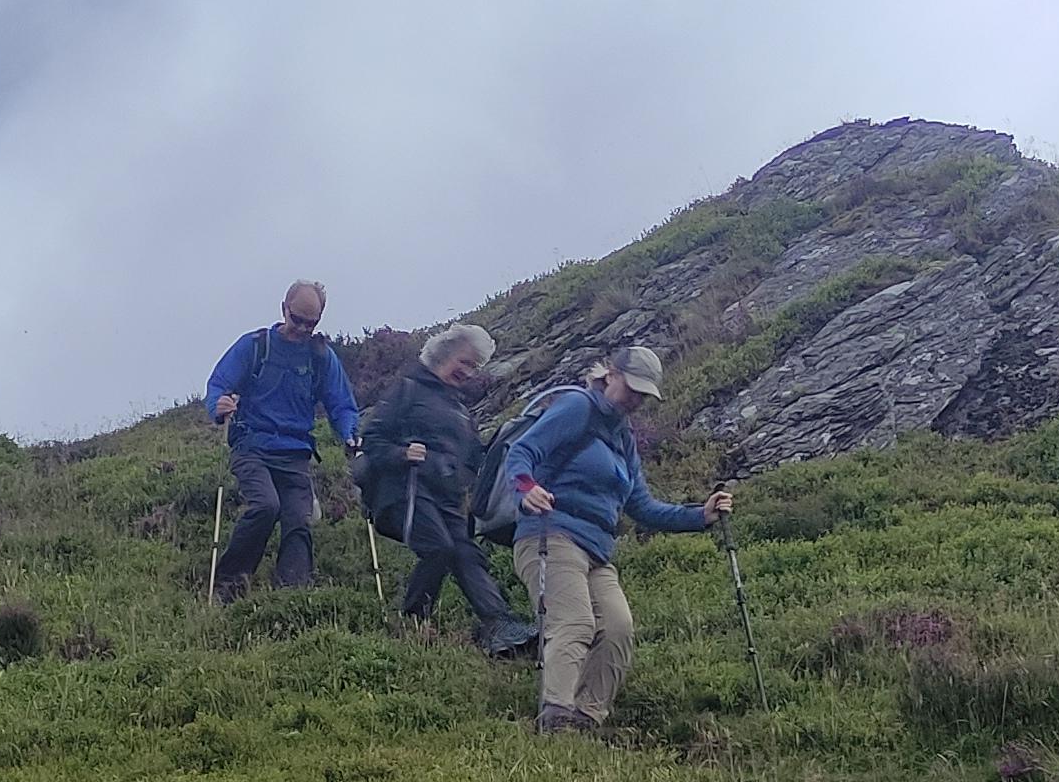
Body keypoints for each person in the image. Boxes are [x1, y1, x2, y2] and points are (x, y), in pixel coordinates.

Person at [503, 339, 733, 734]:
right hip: (550, 533)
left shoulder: (623, 439)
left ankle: (587, 718)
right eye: (633, 389)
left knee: (617, 629)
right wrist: (526, 489)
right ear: (610, 375)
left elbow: (641, 506)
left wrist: (701, 515)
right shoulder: (577, 407)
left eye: (644, 395)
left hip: (596, 549)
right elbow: (523, 452)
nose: (636, 400)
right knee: (574, 623)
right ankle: (555, 718)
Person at [358, 321, 538, 657]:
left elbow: (474, 456)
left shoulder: (458, 407)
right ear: (445, 353)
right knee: (439, 548)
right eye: (465, 362)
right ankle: (412, 622)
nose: (469, 372)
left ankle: (500, 625)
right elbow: (372, 440)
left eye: (475, 367)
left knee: (467, 553)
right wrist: (402, 453)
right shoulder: (409, 389)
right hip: (405, 490)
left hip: (446, 498)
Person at [204, 279, 361, 598]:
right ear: (284, 309)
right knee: (265, 506)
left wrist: (350, 434)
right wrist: (218, 407)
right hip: (252, 446)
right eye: (297, 319)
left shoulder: (320, 357)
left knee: (299, 521)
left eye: (311, 323)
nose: (303, 328)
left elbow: (341, 403)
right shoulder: (255, 346)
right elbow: (219, 383)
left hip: (296, 453)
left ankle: (291, 595)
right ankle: (229, 585)